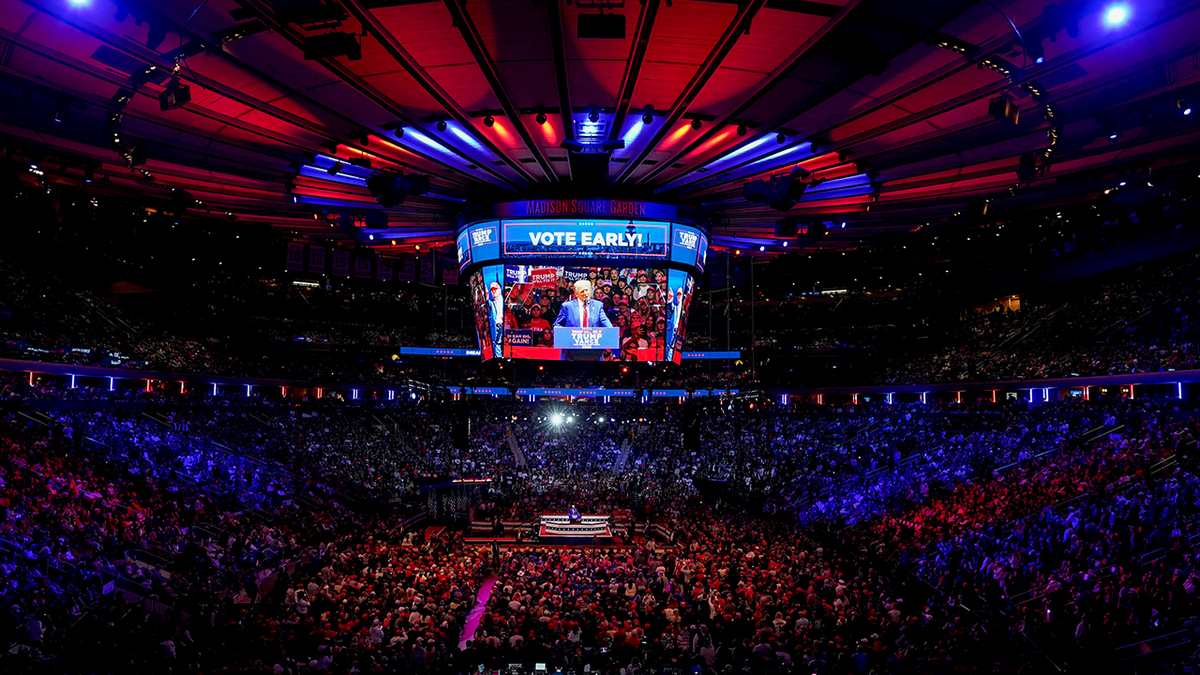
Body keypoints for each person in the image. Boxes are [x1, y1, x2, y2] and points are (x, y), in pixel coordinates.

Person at [487, 281, 505, 358]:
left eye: (495, 288)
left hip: (504, 326)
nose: (493, 291)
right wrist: (486, 296)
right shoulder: (492, 303)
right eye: (492, 289)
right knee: (497, 345)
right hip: (496, 327)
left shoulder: (506, 301)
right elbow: (487, 303)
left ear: (500, 289)